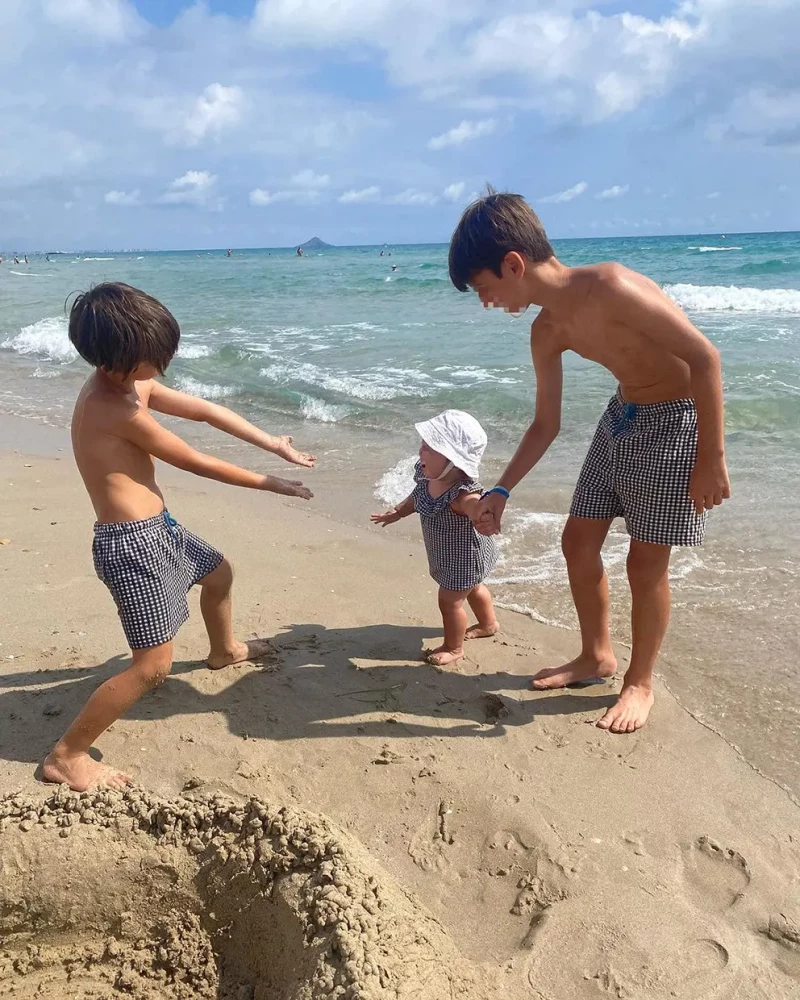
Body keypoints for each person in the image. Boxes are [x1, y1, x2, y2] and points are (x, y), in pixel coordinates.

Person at [449, 190, 730, 732]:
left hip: (676, 423)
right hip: (621, 416)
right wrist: (500, 491)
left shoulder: (611, 287)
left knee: (645, 564)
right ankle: (595, 656)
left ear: (513, 264)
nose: (485, 301)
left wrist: (711, 456)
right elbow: (545, 424)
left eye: (484, 288)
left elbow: (704, 356)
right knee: (577, 541)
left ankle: (640, 683)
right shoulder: (547, 329)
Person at [42, 282, 316, 791]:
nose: (161, 370)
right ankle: (67, 755)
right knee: (151, 668)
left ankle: (224, 649)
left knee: (218, 573)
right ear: (117, 360)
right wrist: (273, 483)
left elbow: (206, 411)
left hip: (157, 528)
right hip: (131, 546)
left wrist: (273, 443)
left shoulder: (128, 385)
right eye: (153, 360)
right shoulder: (114, 408)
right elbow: (195, 460)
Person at [371, 410, 499, 666]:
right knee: (475, 589)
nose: (421, 451)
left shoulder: (461, 493)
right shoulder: (427, 476)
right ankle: (489, 624)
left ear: (453, 460)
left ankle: (454, 647)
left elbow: (474, 504)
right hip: (452, 556)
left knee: (450, 601)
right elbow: (416, 497)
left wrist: (482, 513)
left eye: (430, 447)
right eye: (423, 443)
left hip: (463, 558)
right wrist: (397, 512)